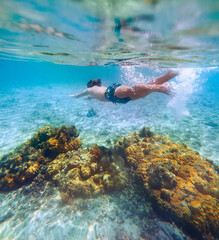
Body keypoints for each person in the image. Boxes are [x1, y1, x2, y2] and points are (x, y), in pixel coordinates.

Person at [69, 70, 178, 104]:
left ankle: (162, 89)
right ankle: (169, 75)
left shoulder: (90, 90)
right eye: (95, 82)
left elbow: (79, 95)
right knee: (144, 91)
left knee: (133, 89)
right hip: (114, 93)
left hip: (113, 94)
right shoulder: (91, 91)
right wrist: (85, 97)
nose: (98, 83)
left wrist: (74, 96)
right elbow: (87, 96)